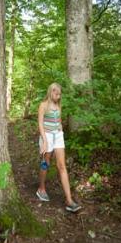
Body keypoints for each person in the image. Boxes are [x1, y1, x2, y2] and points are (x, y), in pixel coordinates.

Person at [35, 82, 82, 212]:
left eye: (60, 94)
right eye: (56, 93)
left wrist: (60, 128)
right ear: (51, 92)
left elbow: (59, 120)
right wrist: (44, 141)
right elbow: (40, 124)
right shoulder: (43, 105)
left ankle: (69, 200)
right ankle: (41, 188)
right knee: (46, 162)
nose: (58, 96)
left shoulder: (58, 105)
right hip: (47, 136)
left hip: (58, 136)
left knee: (62, 166)